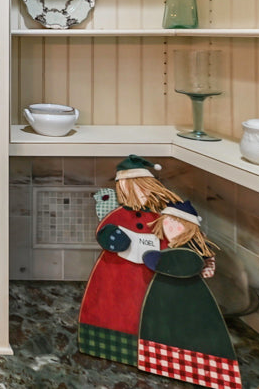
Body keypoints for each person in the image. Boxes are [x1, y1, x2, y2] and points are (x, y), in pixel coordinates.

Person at [78, 155, 183, 366]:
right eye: (127, 190)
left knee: (143, 312)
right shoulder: (119, 214)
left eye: (138, 188)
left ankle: (151, 351)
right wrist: (113, 237)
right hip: (115, 273)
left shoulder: (161, 218)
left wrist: (164, 258)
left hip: (147, 279)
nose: (134, 194)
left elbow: (171, 241)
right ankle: (102, 342)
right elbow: (105, 230)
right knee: (110, 307)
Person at [137, 201, 242, 389]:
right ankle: (161, 361)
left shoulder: (191, 248)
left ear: (188, 226)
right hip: (168, 297)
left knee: (189, 327)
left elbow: (186, 264)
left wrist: (157, 261)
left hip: (189, 296)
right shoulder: (174, 246)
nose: (169, 228)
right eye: (166, 222)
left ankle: (205, 370)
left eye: (175, 223)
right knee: (168, 326)